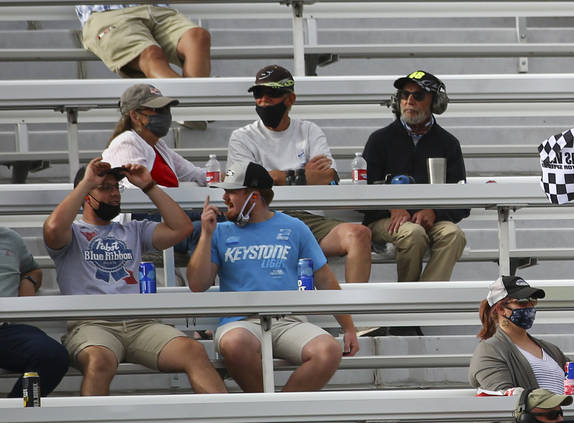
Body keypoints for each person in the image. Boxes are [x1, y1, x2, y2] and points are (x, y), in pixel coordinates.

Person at [43, 157, 225, 397]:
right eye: (105, 188)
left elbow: (182, 229)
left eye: (116, 188)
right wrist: (86, 182)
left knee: (193, 351)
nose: (114, 194)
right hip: (92, 325)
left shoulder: (133, 230)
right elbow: (53, 229)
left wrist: (149, 186)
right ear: (86, 194)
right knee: (98, 362)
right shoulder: (72, 233)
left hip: (141, 324)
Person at [188, 160, 359, 393]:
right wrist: (206, 236)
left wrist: (348, 327)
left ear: (254, 196)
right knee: (234, 344)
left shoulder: (294, 227)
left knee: (328, 350)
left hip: (288, 321)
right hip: (241, 323)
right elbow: (197, 285)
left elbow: (325, 279)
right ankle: (264, 413)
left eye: (232, 192)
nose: (225, 198)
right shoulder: (218, 230)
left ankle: (280, 420)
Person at [227, 64, 373, 284]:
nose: (264, 100)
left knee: (359, 235)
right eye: (258, 93)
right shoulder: (241, 137)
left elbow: (327, 177)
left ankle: (355, 313)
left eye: (272, 93)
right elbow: (248, 183)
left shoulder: (309, 130)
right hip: (263, 218)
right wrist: (303, 175)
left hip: (308, 220)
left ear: (290, 99)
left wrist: (276, 177)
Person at [467, 275, 574, 423]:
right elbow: (504, 397)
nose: (530, 307)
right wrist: (562, 411)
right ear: (501, 308)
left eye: (532, 301)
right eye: (522, 303)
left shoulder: (548, 349)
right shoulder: (489, 349)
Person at [362, 70, 468, 282]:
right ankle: (407, 299)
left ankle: (426, 299)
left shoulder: (449, 143)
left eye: (418, 95)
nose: (409, 100)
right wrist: (391, 207)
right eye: (404, 95)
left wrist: (434, 212)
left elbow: (462, 201)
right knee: (413, 234)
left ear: (435, 102)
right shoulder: (379, 140)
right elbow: (362, 192)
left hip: (433, 221)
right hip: (384, 219)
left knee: (454, 235)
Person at [0, 225, 68, 400]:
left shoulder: (10, 238)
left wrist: (30, 280)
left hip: (4, 330)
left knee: (52, 355)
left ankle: (19, 413)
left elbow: (32, 269)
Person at [76, 4, 210, 79]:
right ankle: (188, 108)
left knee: (198, 37)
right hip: (106, 13)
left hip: (157, 9)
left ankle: (193, 113)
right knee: (150, 54)